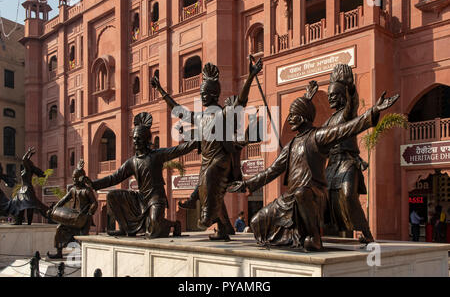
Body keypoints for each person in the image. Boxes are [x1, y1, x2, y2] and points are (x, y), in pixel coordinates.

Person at [228, 82, 399, 251]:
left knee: (303, 193)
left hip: (312, 194)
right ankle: (292, 240)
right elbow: (271, 171)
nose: (290, 119)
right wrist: (246, 184)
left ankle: (314, 237)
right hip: (291, 199)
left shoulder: (318, 136)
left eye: (293, 115)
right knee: (257, 222)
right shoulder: (291, 145)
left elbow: (348, 128)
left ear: (302, 118)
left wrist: (374, 111)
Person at [151, 58, 263, 240]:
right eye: (202, 93)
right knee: (209, 186)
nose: (203, 96)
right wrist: (161, 91)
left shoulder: (223, 113)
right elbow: (177, 110)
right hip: (206, 162)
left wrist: (250, 76)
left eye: (206, 93)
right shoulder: (200, 117)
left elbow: (241, 101)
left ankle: (206, 216)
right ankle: (224, 227)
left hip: (220, 161)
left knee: (208, 179)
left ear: (214, 94)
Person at [91, 112, 199, 238]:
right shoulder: (132, 162)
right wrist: (93, 184)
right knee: (112, 195)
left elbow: (178, 150)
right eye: (134, 138)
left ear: (147, 139)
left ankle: (174, 224)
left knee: (153, 230)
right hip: (140, 198)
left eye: (138, 138)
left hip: (156, 198)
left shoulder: (156, 155)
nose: (135, 141)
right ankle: (123, 228)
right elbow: (114, 178)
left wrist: (197, 141)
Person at [323, 64, 374, 244]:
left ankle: (366, 232)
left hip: (347, 161)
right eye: (329, 95)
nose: (331, 99)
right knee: (323, 198)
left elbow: (354, 104)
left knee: (348, 195)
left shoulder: (347, 114)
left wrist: (351, 88)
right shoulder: (328, 121)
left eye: (334, 95)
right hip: (331, 165)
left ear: (343, 95)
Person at [47, 159, 98, 259]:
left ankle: (84, 256)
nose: (74, 180)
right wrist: (55, 208)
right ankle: (59, 252)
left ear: (81, 178)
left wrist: (89, 212)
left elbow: (94, 203)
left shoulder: (87, 190)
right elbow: (63, 199)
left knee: (82, 237)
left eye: (76, 178)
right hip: (72, 217)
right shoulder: (72, 190)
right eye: (73, 178)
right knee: (59, 229)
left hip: (84, 219)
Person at [9, 147, 50, 225]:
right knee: (20, 205)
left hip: (27, 189)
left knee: (29, 205)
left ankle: (29, 223)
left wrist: (28, 152)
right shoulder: (26, 169)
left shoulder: (28, 170)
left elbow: (24, 159)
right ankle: (19, 221)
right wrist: (30, 155)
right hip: (23, 189)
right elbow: (26, 160)